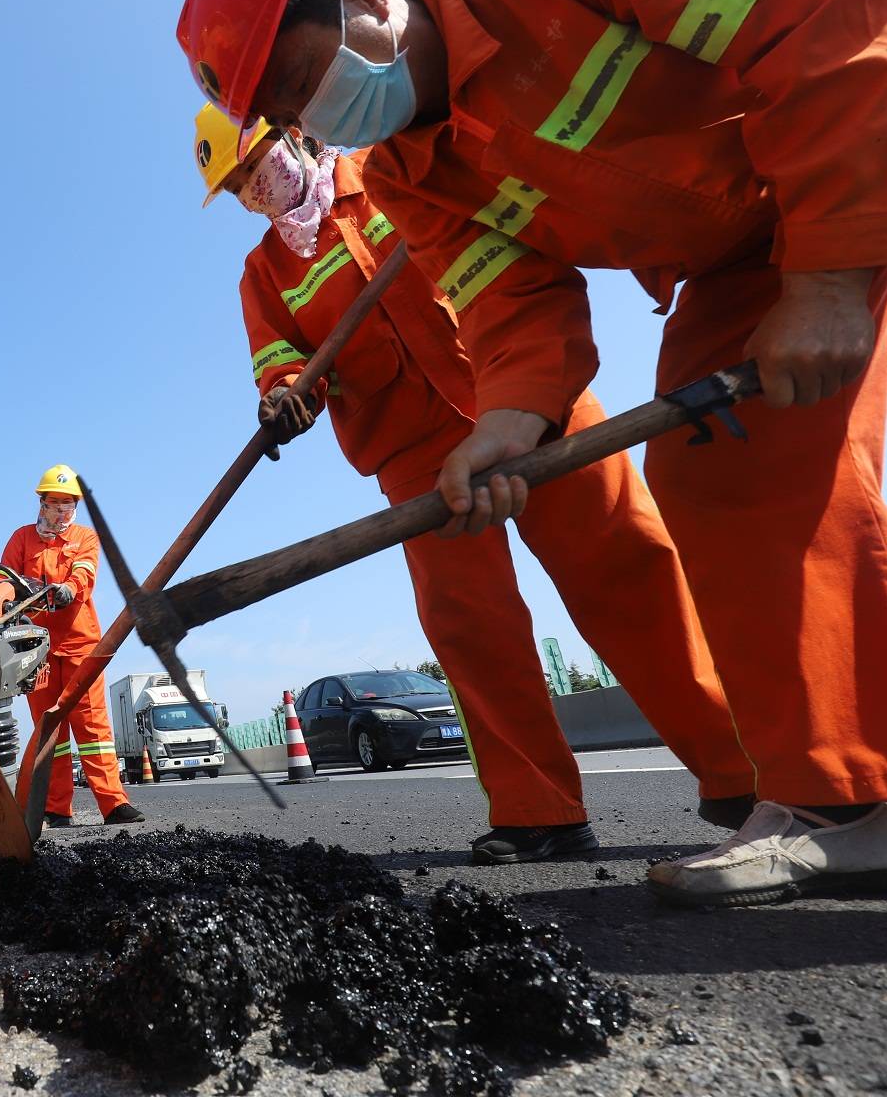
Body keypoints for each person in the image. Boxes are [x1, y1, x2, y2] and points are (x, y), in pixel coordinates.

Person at [176, 0, 887, 903]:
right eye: (290, 113)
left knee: (636, 559)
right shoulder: (408, 174)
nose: (315, 122)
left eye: (307, 82)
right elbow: (510, 303)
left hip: (871, 75)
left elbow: (835, 11)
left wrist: (832, 274)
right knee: (719, 463)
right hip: (728, 253)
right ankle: (830, 804)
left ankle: (741, 767)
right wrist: (506, 422)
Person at [198, 104, 755, 861]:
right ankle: (538, 809)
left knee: (629, 568)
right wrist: (286, 393)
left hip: (525, 386)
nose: (252, 190)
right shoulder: (264, 270)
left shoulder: (396, 172)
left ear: (297, 134)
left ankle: (743, 771)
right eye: (236, 187)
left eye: (254, 165)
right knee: (471, 622)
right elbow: (278, 358)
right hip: (413, 449)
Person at [3, 465, 145, 829]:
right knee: (50, 731)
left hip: (81, 646)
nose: (62, 511)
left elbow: (85, 571)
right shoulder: (21, 539)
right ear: (42, 504)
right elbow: (2, 579)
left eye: (69, 504)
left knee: (93, 727)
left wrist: (70, 588)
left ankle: (113, 804)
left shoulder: (85, 537)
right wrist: (10, 595)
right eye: (56, 503)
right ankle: (55, 808)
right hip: (35, 650)